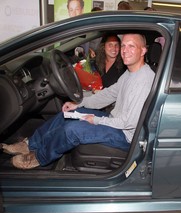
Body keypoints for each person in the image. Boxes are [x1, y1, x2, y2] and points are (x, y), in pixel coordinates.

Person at [2, 33, 155, 170]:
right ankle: (29, 145)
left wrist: (95, 120)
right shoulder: (130, 73)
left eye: (131, 46)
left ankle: (39, 158)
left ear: (143, 50)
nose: (125, 50)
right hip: (115, 121)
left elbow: (128, 123)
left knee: (72, 130)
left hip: (125, 135)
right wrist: (79, 104)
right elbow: (109, 94)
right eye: (124, 45)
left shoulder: (143, 81)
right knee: (68, 113)